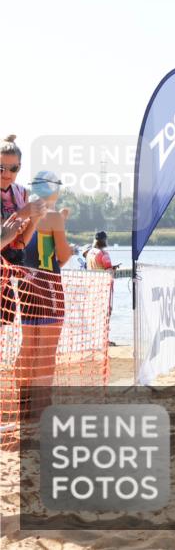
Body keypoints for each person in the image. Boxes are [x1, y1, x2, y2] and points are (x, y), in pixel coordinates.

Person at [14, 171, 72, 417]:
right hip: (48, 285)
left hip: (25, 285)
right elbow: (64, 255)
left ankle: (23, 401)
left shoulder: (21, 212)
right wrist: (61, 223)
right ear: (55, 190)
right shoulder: (54, 216)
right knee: (47, 349)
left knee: (28, 346)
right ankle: (41, 405)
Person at [1, 135, 44, 265]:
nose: (7, 174)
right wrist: (22, 214)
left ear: (19, 166)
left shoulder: (22, 192)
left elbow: (19, 244)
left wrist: (34, 220)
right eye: (0, 168)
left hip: (13, 268)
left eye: (13, 169)